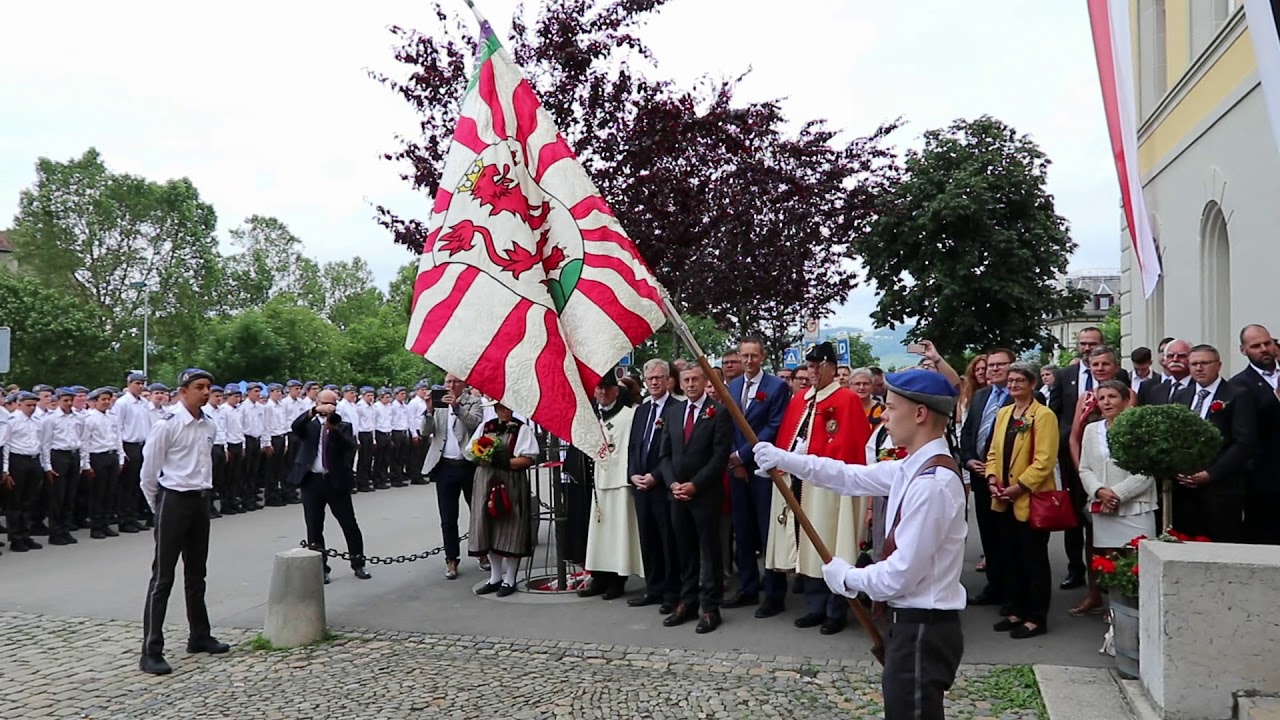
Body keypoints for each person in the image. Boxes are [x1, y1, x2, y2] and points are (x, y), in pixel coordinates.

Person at [752, 370, 967, 720]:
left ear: (920, 414)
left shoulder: (933, 483)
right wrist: (786, 459)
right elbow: (850, 476)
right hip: (911, 624)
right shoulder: (911, 468)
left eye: (891, 407)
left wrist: (848, 577)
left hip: (922, 628)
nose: (883, 415)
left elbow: (900, 575)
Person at [765, 342, 870, 635]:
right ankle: (815, 606)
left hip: (829, 486)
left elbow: (851, 444)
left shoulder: (846, 399)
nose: (812, 371)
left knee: (830, 545)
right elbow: (790, 436)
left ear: (831, 367)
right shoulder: (800, 399)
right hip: (800, 480)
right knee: (805, 544)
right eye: (809, 365)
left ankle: (836, 611)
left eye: (817, 365)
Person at [138, 369, 231, 676]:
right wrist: (160, 506)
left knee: (197, 573)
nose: (205, 392)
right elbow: (149, 473)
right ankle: (151, 650)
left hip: (200, 500)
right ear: (183, 391)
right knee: (163, 578)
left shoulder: (209, 425)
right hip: (174, 499)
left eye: (208, 387)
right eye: (199, 387)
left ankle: (200, 635)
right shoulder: (168, 424)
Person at [655, 365, 732, 634]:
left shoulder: (718, 412)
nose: (690, 384)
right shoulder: (674, 412)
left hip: (705, 495)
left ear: (705, 382)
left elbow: (719, 457)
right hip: (677, 495)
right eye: (686, 380)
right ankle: (686, 602)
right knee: (684, 551)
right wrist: (672, 483)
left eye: (695, 380)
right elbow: (664, 455)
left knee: (709, 553)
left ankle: (710, 607)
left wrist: (695, 485)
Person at [986, 362, 1059, 640]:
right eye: (1011, 380)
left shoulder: (1043, 415)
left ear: (1032, 384)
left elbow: (1045, 461)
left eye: (1020, 381)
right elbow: (993, 452)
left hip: (1029, 498)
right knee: (1011, 557)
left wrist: (1019, 487)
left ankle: (1036, 617)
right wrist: (993, 480)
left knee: (1034, 559)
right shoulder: (1005, 413)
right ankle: (1016, 609)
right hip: (1003, 496)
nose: (1013, 385)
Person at [1071, 380, 1156, 615]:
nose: (1106, 402)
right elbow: (1085, 468)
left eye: (1112, 397)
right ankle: (1118, 618)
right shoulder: (1091, 430)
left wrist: (1116, 494)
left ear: (1126, 400)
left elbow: (1147, 471)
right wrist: (1099, 491)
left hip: (1135, 507)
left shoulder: (1141, 428)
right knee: (1112, 566)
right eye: (1102, 398)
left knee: (1137, 566)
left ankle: (1143, 617)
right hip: (1102, 507)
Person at [723, 337, 792, 617]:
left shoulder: (776, 387)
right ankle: (748, 588)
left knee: (767, 532)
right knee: (744, 530)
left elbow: (774, 426)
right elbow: (727, 424)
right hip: (737, 469)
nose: (749, 361)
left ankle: (774, 594)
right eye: (744, 356)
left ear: (762, 356)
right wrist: (733, 459)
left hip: (764, 470)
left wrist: (743, 455)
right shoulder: (734, 385)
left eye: (754, 356)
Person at [287, 389, 371, 585]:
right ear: (317, 403)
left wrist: (333, 431)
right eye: (325, 403)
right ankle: (321, 567)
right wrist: (313, 412)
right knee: (314, 526)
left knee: (349, 524)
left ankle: (358, 562)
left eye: (332, 404)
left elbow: (349, 446)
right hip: (312, 481)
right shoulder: (309, 425)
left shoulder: (343, 425)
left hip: (335, 481)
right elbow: (295, 426)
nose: (328, 407)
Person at [468, 400, 541, 597]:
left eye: (508, 407)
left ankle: (510, 579)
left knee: (511, 527)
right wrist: (481, 456)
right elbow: (469, 451)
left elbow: (528, 458)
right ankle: (495, 577)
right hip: (486, 481)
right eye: (500, 407)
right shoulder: (486, 426)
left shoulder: (521, 429)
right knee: (487, 526)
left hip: (510, 481)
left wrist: (504, 461)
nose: (504, 410)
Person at [627, 359, 681, 613]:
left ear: (669, 379)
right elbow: (634, 446)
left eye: (659, 378)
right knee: (647, 539)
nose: (654, 383)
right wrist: (633, 474)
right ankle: (653, 587)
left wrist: (656, 476)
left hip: (661, 486)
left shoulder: (676, 409)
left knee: (667, 540)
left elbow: (672, 452)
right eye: (650, 379)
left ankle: (672, 592)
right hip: (641, 487)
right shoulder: (641, 410)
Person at [422, 373, 485, 579]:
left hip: (467, 464)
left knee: (477, 512)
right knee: (448, 517)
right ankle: (451, 559)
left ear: (464, 384)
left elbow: (475, 423)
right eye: (448, 382)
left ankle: (482, 553)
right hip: (444, 466)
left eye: (455, 382)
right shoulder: (439, 402)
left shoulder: (473, 401)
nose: (450, 385)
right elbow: (425, 432)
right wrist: (429, 410)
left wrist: (457, 407)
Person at [3, 391, 47, 552]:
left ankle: (25, 534)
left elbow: (42, 444)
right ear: (19, 404)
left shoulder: (37, 421)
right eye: (28, 405)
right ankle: (15, 537)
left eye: (34, 405)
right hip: (17, 460)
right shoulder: (11, 421)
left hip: (33, 459)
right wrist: (5, 469)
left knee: (29, 500)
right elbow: (6, 445)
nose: (32, 408)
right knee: (16, 501)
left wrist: (43, 464)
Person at [81, 387, 125, 539]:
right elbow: (85, 442)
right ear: (94, 402)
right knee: (98, 493)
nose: (106, 402)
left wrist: (120, 458)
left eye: (108, 399)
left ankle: (106, 524)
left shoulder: (113, 417)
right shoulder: (89, 419)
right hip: (97, 456)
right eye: (103, 399)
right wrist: (86, 464)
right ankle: (96, 526)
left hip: (111, 455)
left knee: (109, 492)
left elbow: (117, 438)